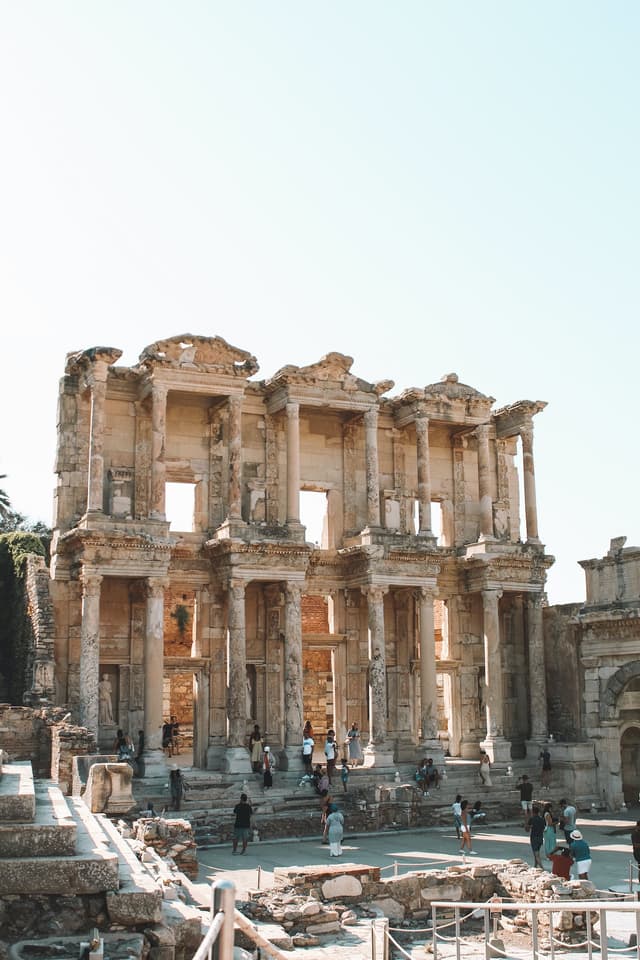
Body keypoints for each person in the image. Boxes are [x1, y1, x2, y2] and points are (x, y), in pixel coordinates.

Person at [528, 804, 545, 869]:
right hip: (540, 837)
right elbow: (544, 828)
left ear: (533, 812)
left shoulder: (532, 819)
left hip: (534, 837)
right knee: (537, 851)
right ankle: (535, 865)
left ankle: (542, 867)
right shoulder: (542, 819)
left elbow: (527, 829)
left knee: (536, 853)